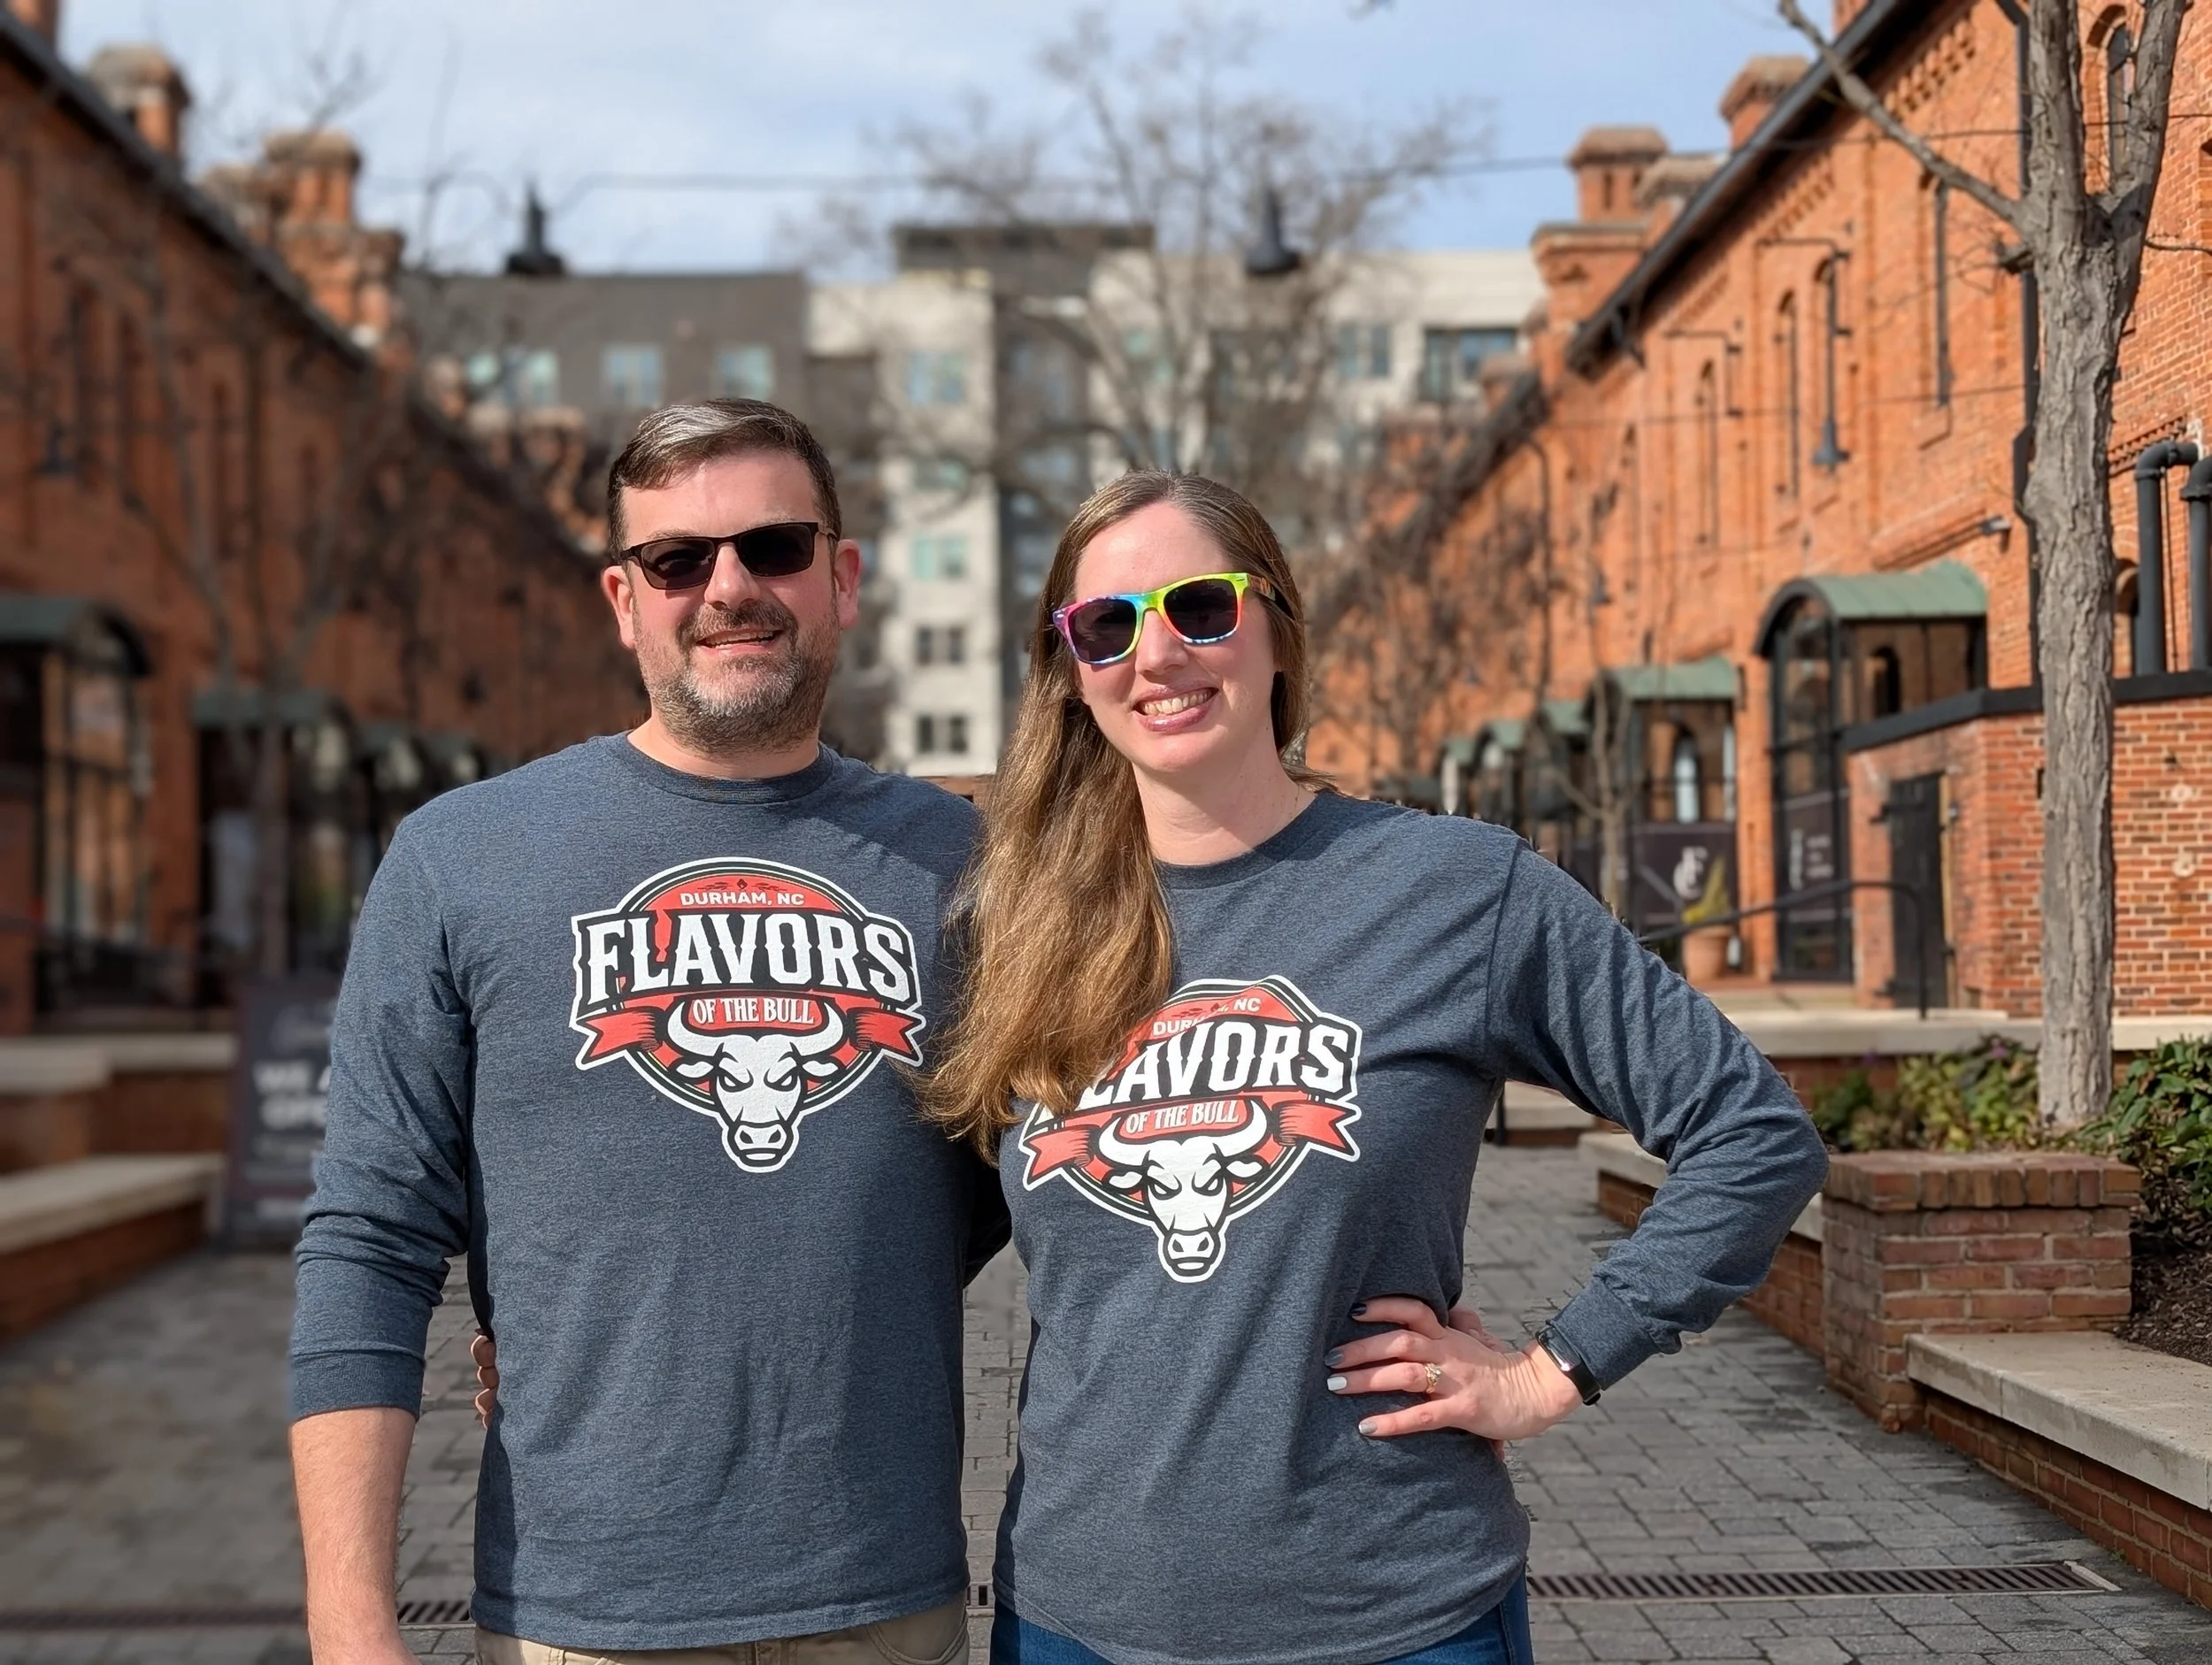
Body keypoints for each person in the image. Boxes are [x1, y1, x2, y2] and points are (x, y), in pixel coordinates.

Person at [923, 470, 1830, 1665]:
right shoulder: (1017, 933)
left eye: (1200, 606)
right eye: (1107, 625)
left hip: (1392, 1615)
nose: (1158, 654)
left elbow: (1752, 1131)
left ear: (1276, 626)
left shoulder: (1454, 889)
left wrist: (1554, 1368)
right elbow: (913, 1228)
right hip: (1078, 1617)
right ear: (1071, 669)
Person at [288, 399, 1005, 1665]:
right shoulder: (462, 859)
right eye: (678, 559)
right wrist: (351, 1627)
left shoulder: (967, 864)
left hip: (884, 1604)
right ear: (625, 600)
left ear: (842, 578)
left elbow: (1054, 1180)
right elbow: (369, 1237)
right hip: (581, 1622)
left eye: (774, 547)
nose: (729, 588)